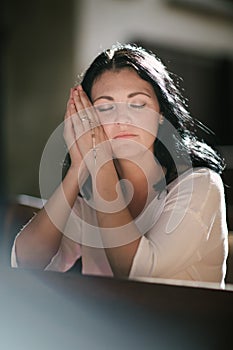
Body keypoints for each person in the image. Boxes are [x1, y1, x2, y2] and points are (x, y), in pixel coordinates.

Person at [11, 43, 228, 283]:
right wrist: (78, 169)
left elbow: (138, 274)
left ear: (161, 115)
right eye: (105, 107)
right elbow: (26, 261)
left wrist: (100, 162)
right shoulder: (91, 196)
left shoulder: (201, 185)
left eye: (138, 104)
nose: (122, 118)